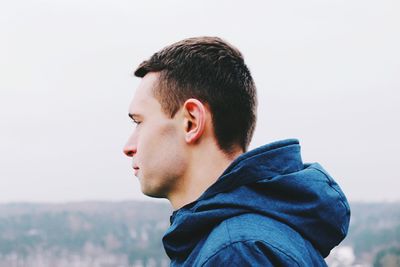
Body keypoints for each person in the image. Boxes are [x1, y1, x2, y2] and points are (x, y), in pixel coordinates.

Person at [123, 36, 350, 266]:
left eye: (139, 122)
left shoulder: (237, 253)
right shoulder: (240, 241)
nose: (128, 147)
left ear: (191, 122)